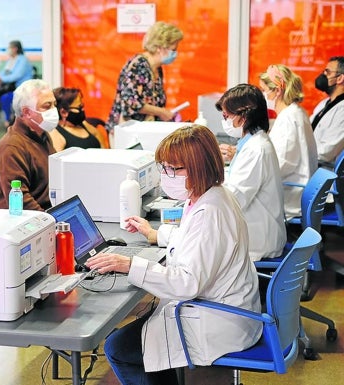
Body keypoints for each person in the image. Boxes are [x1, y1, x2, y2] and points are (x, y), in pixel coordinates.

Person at [85, 124, 262, 385]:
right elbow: (196, 242)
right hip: (226, 306)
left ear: (199, 167)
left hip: (218, 320)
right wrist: (156, 234)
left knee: (119, 348)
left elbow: (186, 283)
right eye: (164, 168)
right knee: (147, 341)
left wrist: (130, 265)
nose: (166, 176)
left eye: (173, 169)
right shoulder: (213, 196)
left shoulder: (209, 212)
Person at [217, 83, 286, 261]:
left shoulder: (256, 149)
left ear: (244, 116)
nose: (224, 121)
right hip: (256, 227)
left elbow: (235, 199)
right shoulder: (253, 142)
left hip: (258, 240)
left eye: (227, 115)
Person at [259, 64, 318, 219]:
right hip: (294, 186)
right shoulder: (295, 112)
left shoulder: (288, 119)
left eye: (265, 91)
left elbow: (282, 164)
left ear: (277, 91)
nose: (263, 96)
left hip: (290, 194)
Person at [0, 78, 57, 210]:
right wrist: (52, 223)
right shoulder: (12, 147)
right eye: (47, 106)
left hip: (46, 212)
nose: (54, 110)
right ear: (26, 112)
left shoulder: (41, 135)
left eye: (54, 104)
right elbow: (22, 203)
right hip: (22, 220)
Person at [106, 21, 184, 134]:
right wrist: (162, 112)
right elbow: (131, 103)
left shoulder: (157, 68)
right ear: (160, 47)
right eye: (173, 49)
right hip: (127, 133)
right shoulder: (138, 66)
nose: (175, 53)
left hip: (144, 130)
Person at [0, 40, 34, 127]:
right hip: (9, 88)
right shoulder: (11, 60)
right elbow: (4, 73)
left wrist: (1, 78)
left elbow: (17, 75)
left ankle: (9, 119)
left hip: (21, 89)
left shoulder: (23, 60)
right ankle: (10, 115)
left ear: (15, 49)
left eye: (9, 48)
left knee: (6, 98)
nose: (8, 50)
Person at [49, 87, 106, 151]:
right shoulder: (56, 134)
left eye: (82, 106)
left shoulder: (84, 124)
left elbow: (98, 136)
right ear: (64, 112)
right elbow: (56, 159)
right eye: (79, 107)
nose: (82, 110)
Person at [310, 56, 344, 165]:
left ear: (340, 78)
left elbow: (328, 151)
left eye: (327, 72)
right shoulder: (324, 104)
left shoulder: (342, 110)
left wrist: (302, 156)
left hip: (322, 170)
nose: (323, 75)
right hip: (311, 162)